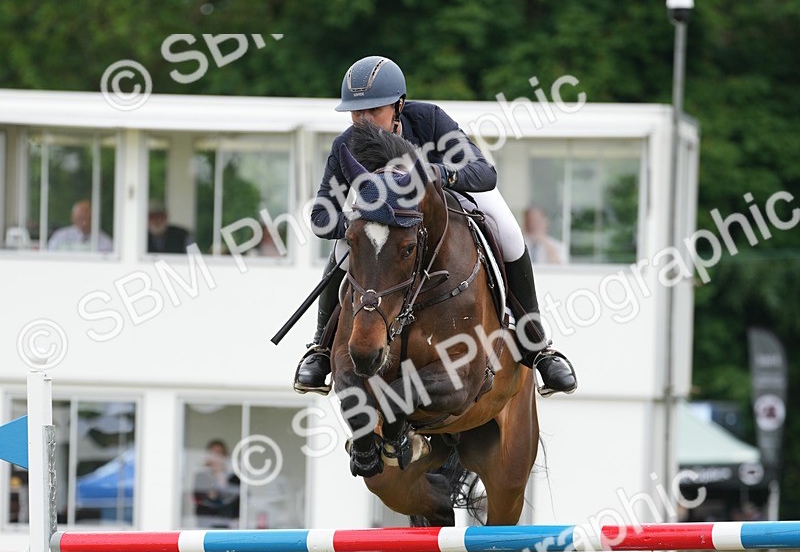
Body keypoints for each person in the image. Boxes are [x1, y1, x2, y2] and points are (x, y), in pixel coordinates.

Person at [293, 55, 577, 397]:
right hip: (383, 229)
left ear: (399, 106)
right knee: (344, 249)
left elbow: (484, 173)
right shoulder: (346, 146)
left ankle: (537, 342)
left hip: (446, 204)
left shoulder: (428, 120)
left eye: (374, 111)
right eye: (357, 113)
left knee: (509, 232)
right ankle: (321, 348)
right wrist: (361, 226)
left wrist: (438, 173)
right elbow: (322, 216)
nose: (364, 120)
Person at [192, 439, 240, 528]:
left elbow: (239, 500)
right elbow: (198, 498)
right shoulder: (201, 476)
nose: (216, 458)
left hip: (229, 525)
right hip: (206, 524)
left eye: (219, 454)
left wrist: (222, 479)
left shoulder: (234, 478)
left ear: (224, 456)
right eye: (213, 454)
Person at [48, 200, 112, 252]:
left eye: (88, 218)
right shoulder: (60, 237)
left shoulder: (105, 243)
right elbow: (49, 255)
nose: (84, 223)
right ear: (73, 218)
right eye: (80, 218)